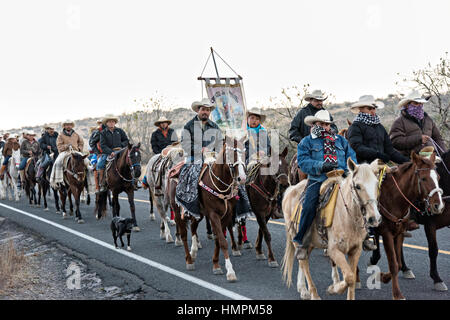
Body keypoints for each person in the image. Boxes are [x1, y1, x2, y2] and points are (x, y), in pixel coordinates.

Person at [347, 95, 410, 249]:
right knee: (368, 194)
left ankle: (405, 220)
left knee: (402, 185)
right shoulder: (356, 127)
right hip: (364, 167)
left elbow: (390, 150)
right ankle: (366, 230)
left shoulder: (379, 127)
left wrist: (406, 162)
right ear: (361, 109)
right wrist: (377, 154)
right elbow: (356, 146)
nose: (373, 110)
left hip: (381, 166)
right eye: (370, 108)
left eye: (374, 108)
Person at [293, 110, 357, 260]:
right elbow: (302, 163)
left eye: (327, 124)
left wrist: (352, 171)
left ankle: (365, 235)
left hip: (342, 178)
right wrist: (322, 165)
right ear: (314, 124)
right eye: (321, 124)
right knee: (309, 206)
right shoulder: (306, 142)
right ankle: (301, 240)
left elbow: (351, 157)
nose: (325, 127)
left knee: (362, 199)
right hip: (318, 179)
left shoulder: (341, 141)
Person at [289, 90, 339, 181]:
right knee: (302, 169)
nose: (319, 103)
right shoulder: (302, 113)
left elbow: (334, 129)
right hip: (306, 149)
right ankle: (302, 190)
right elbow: (293, 131)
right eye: (317, 100)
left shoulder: (326, 114)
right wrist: (304, 141)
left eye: (321, 100)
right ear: (311, 100)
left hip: (326, 148)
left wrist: (329, 134)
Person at [389, 90, 447, 157]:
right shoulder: (399, 122)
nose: (419, 106)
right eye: (416, 103)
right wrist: (418, 139)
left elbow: (438, 138)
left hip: (431, 158)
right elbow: (395, 142)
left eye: (421, 103)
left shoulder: (428, 120)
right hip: (412, 160)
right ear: (407, 105)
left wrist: (443, 155)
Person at [142, 116, 178, 189]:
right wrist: (159, 153)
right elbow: (154, 145)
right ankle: (146, 180)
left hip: (172, 152)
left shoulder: (172, 131)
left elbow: (176, 143)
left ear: (167, 123)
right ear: (159, 124)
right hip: (160, 153)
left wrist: (172, 150)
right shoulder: (155, 134)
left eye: (165, 122)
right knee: (152, 164)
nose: (163, 124)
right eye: (161, 123)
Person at [97, 116, 130, 192]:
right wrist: (110, 152)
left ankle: (133, 181)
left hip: (120, 151)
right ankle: (102, 183)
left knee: (130, 161)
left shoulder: (120, 131)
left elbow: (126, 140)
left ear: (115, 123)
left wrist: (121, 146)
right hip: (108, 152)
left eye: (113, 121)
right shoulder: (103, 133)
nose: (111, 123)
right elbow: (103, 145)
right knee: (100, 164)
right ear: (107, 123)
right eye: (109, 122)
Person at [50, 120, 85, 189]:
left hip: (75, 151)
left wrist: (79, 149)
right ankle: (58, 181)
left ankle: (87, 182)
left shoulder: (76, 134)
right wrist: (66, 146)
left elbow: (81, 142)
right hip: (65, 152)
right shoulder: (60, 135)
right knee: (57, 163)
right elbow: (59, 146)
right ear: (64, 126)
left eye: (70, 125)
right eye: (66, 125)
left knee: (87, 162)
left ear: (72, 126)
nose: (68, 126)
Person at [88, 120, 105, 192]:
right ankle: (98, 185)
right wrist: (97, 152)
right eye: (100, 123)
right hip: (97, 153)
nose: (101, 125)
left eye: (103, 123)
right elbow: (91, 144)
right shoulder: (96, 132)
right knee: (95, 164)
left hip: (110, 152)